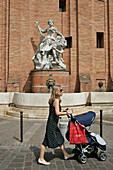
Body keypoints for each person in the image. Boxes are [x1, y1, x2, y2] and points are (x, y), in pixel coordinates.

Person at [38, 85, 74, 165]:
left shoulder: (52, 100)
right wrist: (67, 113)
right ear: (57, 91)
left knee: (60, 138)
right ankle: (41, 158)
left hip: (52, 123)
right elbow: (57, 113)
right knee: (46, 141)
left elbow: (55, 110)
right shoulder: (56, 100)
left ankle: (65, 154)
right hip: (52, 124)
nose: (62, 92)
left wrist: (63, 110)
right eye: (61, 90)